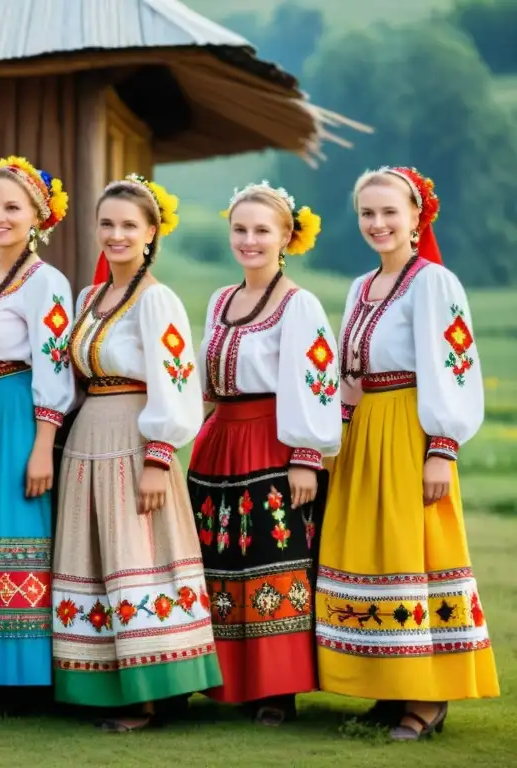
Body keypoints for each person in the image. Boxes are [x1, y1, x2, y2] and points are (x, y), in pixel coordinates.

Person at [317, 166, 499, 740]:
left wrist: (441, 448)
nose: (378, 223)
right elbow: (349, 374)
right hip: (365, 428)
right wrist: (334, 439)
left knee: (412, 552)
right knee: (372, 554)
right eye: (367, 214)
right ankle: (390, 687)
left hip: (410, 429)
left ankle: (426, 696)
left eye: (390, 212)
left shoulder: (433, 283)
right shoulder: (358, 287)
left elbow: (454, 366)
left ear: (418, 217)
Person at [52, 174, 221, 732]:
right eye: (107, 224)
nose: (116, 235)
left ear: (151, 233)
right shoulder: (88, 297)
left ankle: (150, 692)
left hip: (134, 438)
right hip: (88, 439)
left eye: (129, 225)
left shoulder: (158, 300)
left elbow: (176, 382)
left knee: (135, 556)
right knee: (94, 559)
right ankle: (103, 683)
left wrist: (158, 455)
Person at [186, 181, 340, 725]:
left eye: (261, 231)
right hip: (219, 439)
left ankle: (277, 687)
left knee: (273, 560)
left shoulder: (300, 305)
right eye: (240, 230)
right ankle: (223, 678)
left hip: (273, 440)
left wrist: (307, 455)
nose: (249, 241)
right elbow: (208, 380)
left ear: (285, 237)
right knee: (216, 558)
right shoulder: (220, 300)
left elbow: (318, 379)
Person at [0, 156, 74, 706]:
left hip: (18, 413)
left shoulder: (46, 282)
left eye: (12, 208)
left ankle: (22, 676)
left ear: (37, 218)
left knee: (16, 533)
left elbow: (55, 368)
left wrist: (43, 447)